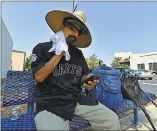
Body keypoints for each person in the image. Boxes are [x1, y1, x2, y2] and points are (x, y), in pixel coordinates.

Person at [31, 9, 121, 130]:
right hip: (50, 102)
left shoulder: (78, 54)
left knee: (111, 120)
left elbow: (84, 76)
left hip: (75, 99)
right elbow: (39, 76)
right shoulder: (42, 48)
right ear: (62, 26)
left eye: (79, 31)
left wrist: (89, 82)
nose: (76, 34)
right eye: (73, 27)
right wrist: (60, 52)